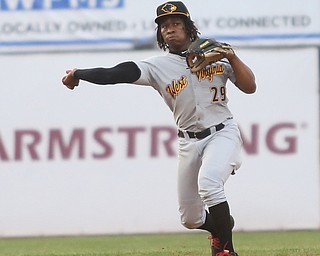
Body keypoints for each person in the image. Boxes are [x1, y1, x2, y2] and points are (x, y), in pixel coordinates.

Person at [62, 1, 256, 255]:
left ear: (188, 28)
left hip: (222, 132)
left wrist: (231, 55)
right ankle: (220, 227)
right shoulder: (157, 66)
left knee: (209, 184)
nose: (170, 29)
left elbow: (250, 86)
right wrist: (78, 73)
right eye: (164, 26)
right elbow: (115, 73)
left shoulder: (214, 55)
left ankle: (226, 250)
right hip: (189, 141)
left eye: (176, 23)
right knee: (190, 219)